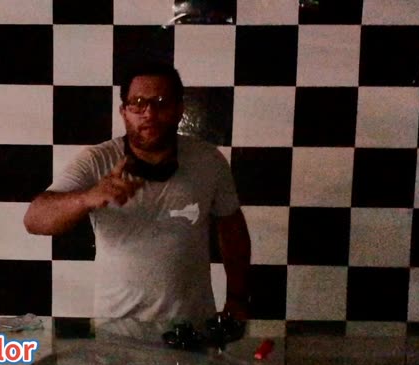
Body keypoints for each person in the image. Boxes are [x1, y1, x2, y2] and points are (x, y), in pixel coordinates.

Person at [24, 62, 250, 330]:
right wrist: (86, 198)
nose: (149, 113)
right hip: (117, 332)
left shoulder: (209, 160)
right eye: (138, 103)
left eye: (161, 102)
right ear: (124, 111)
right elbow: (34, 219)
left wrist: (237, 298)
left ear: (180, 109)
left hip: (192, 331)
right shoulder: (97, 160)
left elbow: (232, 227)